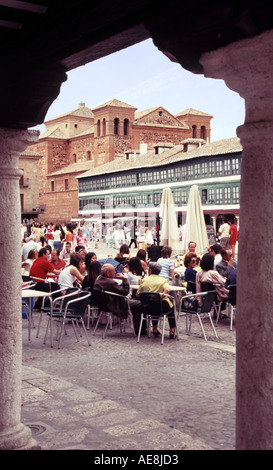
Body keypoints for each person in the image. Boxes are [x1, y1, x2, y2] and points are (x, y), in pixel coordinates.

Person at [136, 262, 177, 339]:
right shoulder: (163, 280)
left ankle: (154, 328)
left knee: (154, 305)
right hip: (162, 306)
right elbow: (167, 290)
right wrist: (160, 297)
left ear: (150, 271)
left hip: (147, 307)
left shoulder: (144, 280)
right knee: (171, 308)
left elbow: (137, 294)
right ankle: (172, 330)